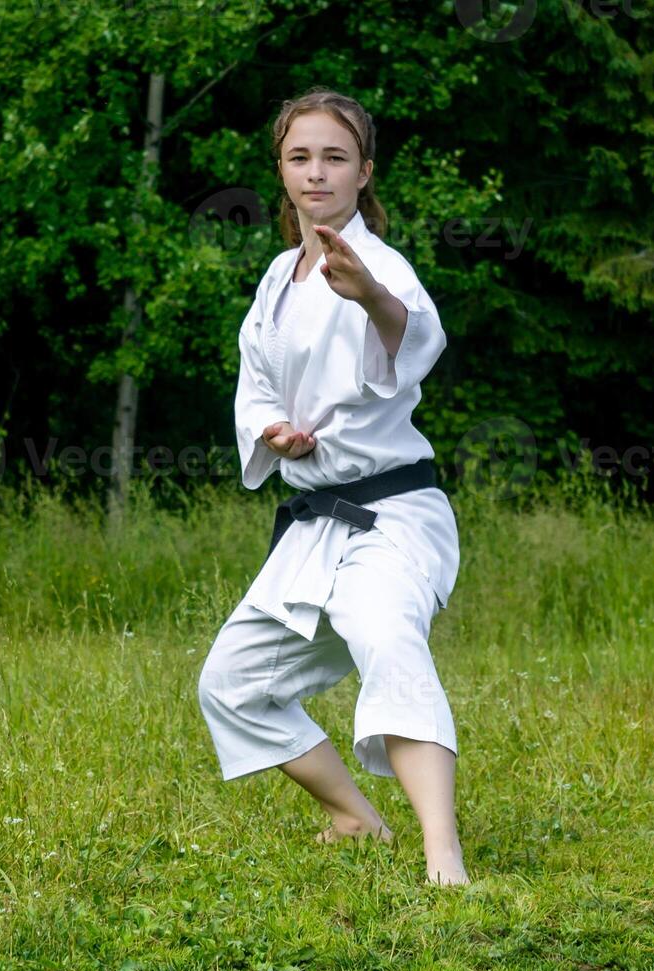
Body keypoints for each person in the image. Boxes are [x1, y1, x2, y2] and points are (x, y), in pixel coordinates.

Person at [196, 87, 468, 887]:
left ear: (363, 173)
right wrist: (274, 432)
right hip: (318, 524)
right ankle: (357, 815)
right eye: (300, 156)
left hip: (393, 513)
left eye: (335, 157)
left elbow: (413, 335)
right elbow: (256, 390)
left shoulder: (379, 266)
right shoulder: (279, 276)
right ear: (281, 169)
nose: (317, 172)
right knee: (233, 683)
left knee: (386, 637)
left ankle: (441, 854)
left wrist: (371, 297)